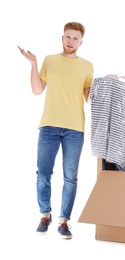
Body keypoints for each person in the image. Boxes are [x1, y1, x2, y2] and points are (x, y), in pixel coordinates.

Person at [18, 22, 94, 239]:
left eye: (75, 38)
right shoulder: (50, 61)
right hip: (49, 126)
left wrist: (105, 87)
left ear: (81, 42)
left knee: (71, 177)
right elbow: (36, 90)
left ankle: (64, 221)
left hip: (75, 129)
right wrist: (33, 63)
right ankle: (45, 215)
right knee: (43, 174)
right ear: (62, 38)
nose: (71, 41)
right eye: (68, 37)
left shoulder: (87, 66)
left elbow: (89, 97)